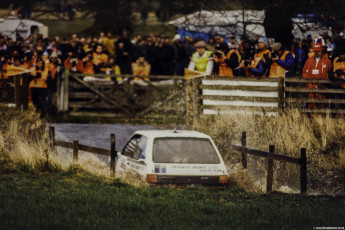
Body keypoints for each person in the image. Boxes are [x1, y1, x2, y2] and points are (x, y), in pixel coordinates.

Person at [302, 42, 332, 117]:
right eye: (315, 51)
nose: (316, 53)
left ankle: (320, 121)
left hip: (322, 88)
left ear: (322, 51)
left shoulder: (327, 61)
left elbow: (330, 74)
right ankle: (312, 120)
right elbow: (304, 73)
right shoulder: (308, 61)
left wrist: (321, 84)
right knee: (311, 104)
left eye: (318, 51)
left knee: (321, 105)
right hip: (311, 88)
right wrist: (310, 85)